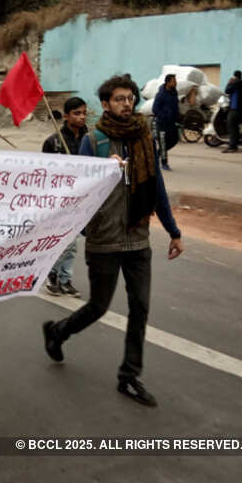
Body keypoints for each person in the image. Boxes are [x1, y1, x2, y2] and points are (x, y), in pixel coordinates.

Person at [42, 75, 184, 408]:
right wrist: (101, 172)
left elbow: (157, 188)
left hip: (137, 238)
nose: (127, 103)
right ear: (105, 105)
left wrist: (174, 231)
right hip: (104, 240)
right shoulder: (94, 141)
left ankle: (129, 375)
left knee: (141, 307)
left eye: (130, 98)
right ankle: (58, 331)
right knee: (98, 306)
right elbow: (77, 191)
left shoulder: (145, 138)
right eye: (119, 99)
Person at [41, 96, 88, 297]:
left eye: (84, 113)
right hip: (60, 200)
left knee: (73, 243)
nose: (82, 117)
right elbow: (45, 173)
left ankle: (65, 279)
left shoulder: (91, 139)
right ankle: (53, 275)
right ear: (67, 116)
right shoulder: (54, 142)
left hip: (83, 199)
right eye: (77, 113)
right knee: (65, 241)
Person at [152, 74, 180, 170]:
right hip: (162, 123)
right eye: (173, 81)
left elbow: (175, 107)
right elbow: (155, 109)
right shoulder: (161, 95)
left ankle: (157, 154)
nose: (175, 83)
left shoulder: (174, 93)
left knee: (174, 140)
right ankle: (164, 164)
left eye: (175, 81)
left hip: (171, 123)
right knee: (163, 143)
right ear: (168, 82)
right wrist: (164, 116)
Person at [224, 70, 242, 153]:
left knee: (231, 127)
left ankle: (232, 146)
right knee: (235, 128)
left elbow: (227, 90)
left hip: (235, 109)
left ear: (235, 76)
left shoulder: (237, 83)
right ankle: (234, 145)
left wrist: (230, 82)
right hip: (239, 109)